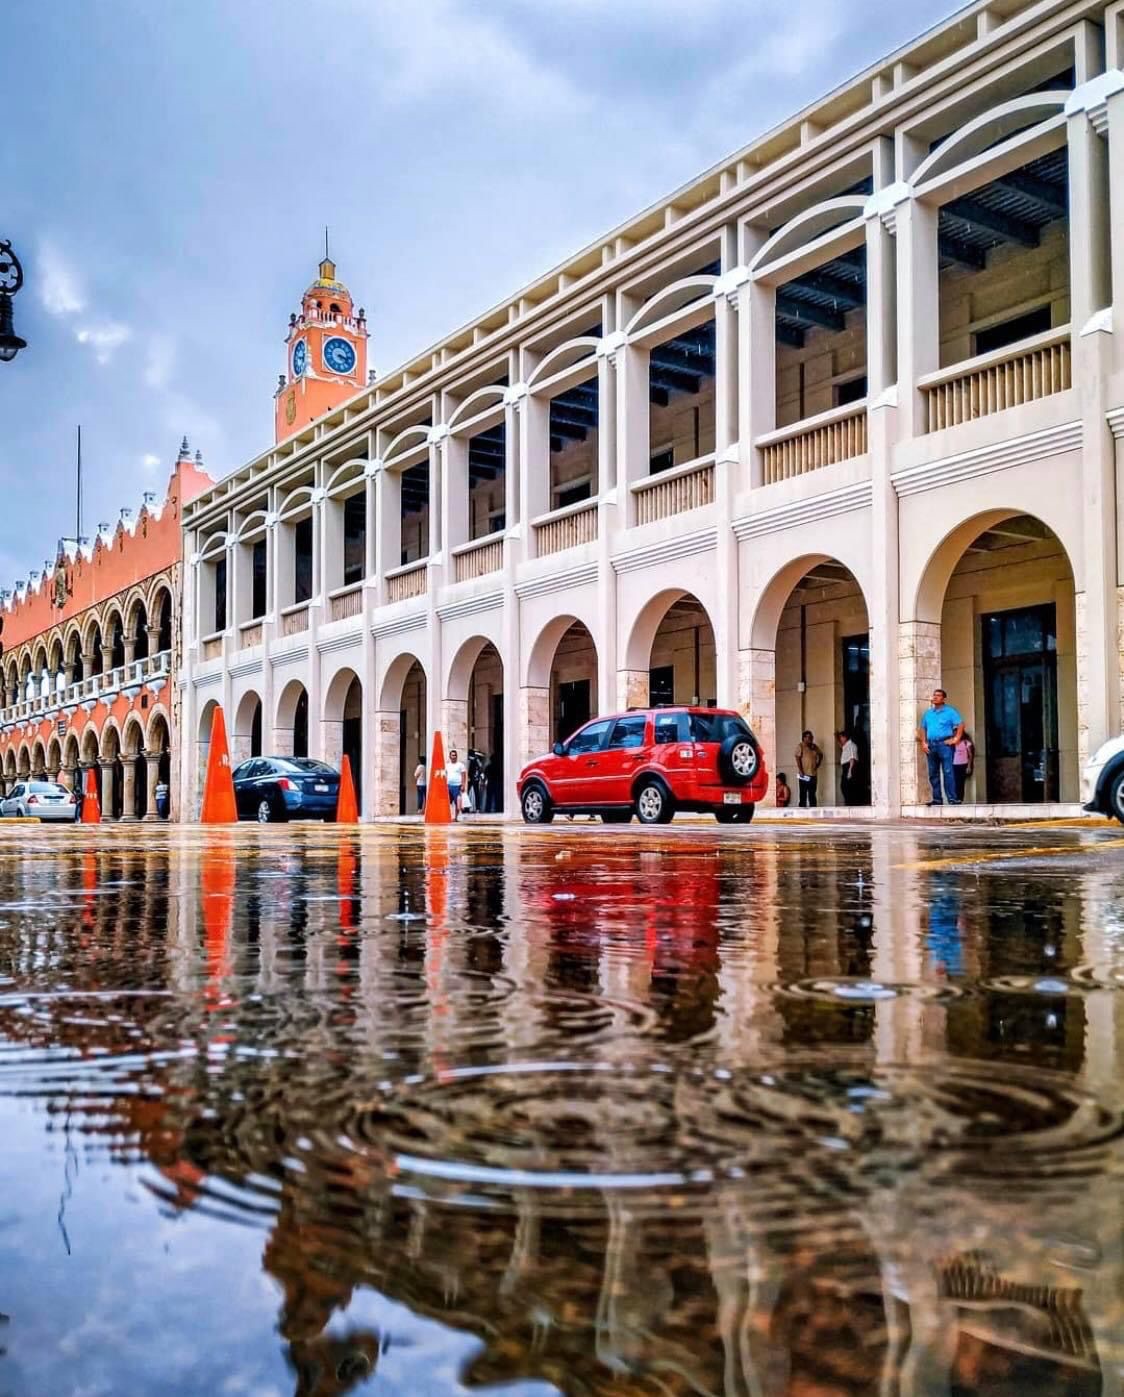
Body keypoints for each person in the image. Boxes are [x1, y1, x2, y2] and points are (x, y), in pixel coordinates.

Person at [917, 688, 965, 806]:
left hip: (945, 745)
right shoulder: (928, 713)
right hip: (931, 745)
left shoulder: (950, 711)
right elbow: (922, 728)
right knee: (933, 773)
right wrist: (923, 742)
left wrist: (956, 739)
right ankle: (937, 799)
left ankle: (952, 798)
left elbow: (960, 724)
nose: (935, 697)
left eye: (938, 695)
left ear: (944, 698)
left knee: (948, 771)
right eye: (934, 695)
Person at [795, 731, 823, 808]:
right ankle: (802, 812)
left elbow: (821, 754)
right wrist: (800, 770)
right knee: (803, 794)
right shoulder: (800, 746)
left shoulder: (814, 746)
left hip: (813, 774)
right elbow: (797, 758)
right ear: (804, 738)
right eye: (808, 737)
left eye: (811, 737)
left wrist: (818, 764)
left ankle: (813, 810)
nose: (810, 739)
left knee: (812, 794)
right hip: (804, 774)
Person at [836, 731, 859, 806]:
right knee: (844, 787)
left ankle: (850, 805)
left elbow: (852, 759)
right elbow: (841, 745)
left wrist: (850, 771)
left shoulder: (851, 745)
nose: (840, 739)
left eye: (841, 737)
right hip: (846, 767)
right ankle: (848, 804)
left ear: (845, 737)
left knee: (847, 788)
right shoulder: (846, 746)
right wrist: (836, 737)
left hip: (849, 767)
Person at [953, 729, 975, 803]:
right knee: (955, 782)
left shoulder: (966, 742)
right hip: (954, 765)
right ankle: (954, 798)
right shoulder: (953, 743)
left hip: (963, 764)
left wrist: (969, 766)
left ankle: (960, 799)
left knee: (961, 783)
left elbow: (970, 755)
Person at [446, 747, 466, 818]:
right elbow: (445, 775)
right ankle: (449, 816)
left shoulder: (460, 765)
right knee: (448, 802)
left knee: (457, 802)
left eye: (455, 755)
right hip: (448, 785)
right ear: (450, 756)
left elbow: (463, 775)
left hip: (457, 785)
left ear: (456, 756)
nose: (454, 756)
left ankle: (456, 817)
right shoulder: (447, 765)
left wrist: (463, 785)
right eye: (452, 755)